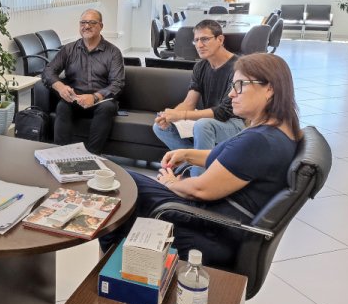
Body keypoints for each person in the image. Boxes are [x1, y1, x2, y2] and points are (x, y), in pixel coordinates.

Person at [100, 53, 302, 265]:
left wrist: (171, 183)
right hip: (217, 218)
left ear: (269, 88)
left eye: (239, 85)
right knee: (125, 184)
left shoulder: (259, 141)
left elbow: (201, 190)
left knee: (121, 184)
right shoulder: (277, 130)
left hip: (211, 226)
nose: (232, 94)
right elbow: (230, 160)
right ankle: (112, 265)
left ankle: (105, 268)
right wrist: (187, 154)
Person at [154, 19, 245, 176]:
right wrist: (169, 115)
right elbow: (189, 103)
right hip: (210, 120)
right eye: (196, 40)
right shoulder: (201, 66)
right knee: (160, 126)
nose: (199, 45)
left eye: (205, 39)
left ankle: (197, 180)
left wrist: (181, 115)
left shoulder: (238, 67)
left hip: (235, 123)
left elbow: (223, 112)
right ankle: (201, 162)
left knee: (203, 125)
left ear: (220, 39)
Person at [42, 9, 124, 154]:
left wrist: (94, 97)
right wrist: (60, 87)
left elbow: (117, 83)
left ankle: (92, 156)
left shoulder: (113, 52)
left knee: (107, 108)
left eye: (92, 22)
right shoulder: (69, 49)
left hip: (101, 100)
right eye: (83, 22)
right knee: (62, 106)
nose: (86, 26)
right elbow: (48, 71)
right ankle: (60, 154)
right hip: (75, 98)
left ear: (101, 26)